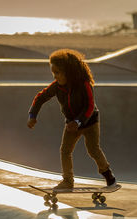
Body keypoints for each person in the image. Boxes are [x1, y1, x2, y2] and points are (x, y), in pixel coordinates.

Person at [27, 49, 117, 189]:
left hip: (90, 121)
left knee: (93, 149)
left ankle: (108, 175)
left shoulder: (84, 84)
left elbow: (90, 106)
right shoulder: (57, 87)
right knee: (65, 151)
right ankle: (68, 181)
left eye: (57, 72)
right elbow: (40, 97)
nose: (55, 76)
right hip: (71, 124)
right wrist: (33, 115)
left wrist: (78, 121)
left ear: (68, 72)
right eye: (53, 73)